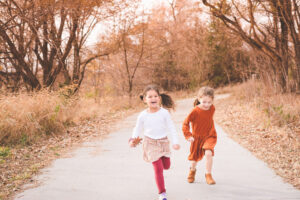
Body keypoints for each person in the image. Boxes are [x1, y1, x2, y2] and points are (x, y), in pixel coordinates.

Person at [129, 84, 180, 200]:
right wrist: (132, 140)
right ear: (144, 100)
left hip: (163, 142)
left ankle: (164, 162)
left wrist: (175, 142)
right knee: (158, 168)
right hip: (150, 143)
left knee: (166, 166)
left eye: (155, 96)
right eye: (150, 96)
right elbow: (137, 128)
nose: (153, 98)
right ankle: (162, 193)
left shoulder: (164, 113)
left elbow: (171, 128)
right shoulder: (142, 115)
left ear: (159, 98)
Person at [182, 86, 217, 185]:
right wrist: (188, 135)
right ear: (199, 99)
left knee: (209, 154)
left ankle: (208, 175)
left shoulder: (212, 108)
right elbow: (185, 123)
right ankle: (192, 171)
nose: (207, 105)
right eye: (204, 102)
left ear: (212, 101)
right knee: (194, 159)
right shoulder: (195, 111)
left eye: (209, 102)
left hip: (210, 136)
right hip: (197, 138)